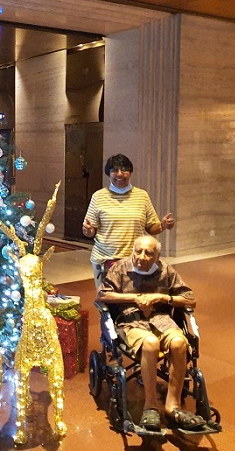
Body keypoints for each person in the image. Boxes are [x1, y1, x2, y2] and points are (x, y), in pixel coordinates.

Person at [98, 235, 205, 432]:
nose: (142, 256)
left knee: (180, 342)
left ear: (157, 256)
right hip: (132, 322)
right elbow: (103, 294)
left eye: (149, 253)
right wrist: (136, 298)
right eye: (138, 251)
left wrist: (163, 297)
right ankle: (150, 406)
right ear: (133, 251)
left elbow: (190, 300)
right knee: (150, 343)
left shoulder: (166, 271)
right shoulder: (120, 268)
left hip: (162, 321)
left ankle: (172, 406)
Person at [82, 153, 175, 290]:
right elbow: (90, 230)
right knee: (108, 301)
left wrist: (163, 225)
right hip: (105, 259)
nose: (120, 174)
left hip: (136, 260)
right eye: (114, 170)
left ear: (130, 172)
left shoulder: (142, 196)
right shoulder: (99, 196)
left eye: (124, 169)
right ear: (109, 173)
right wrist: (88, 230)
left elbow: (151, 227)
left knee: (134, 298)